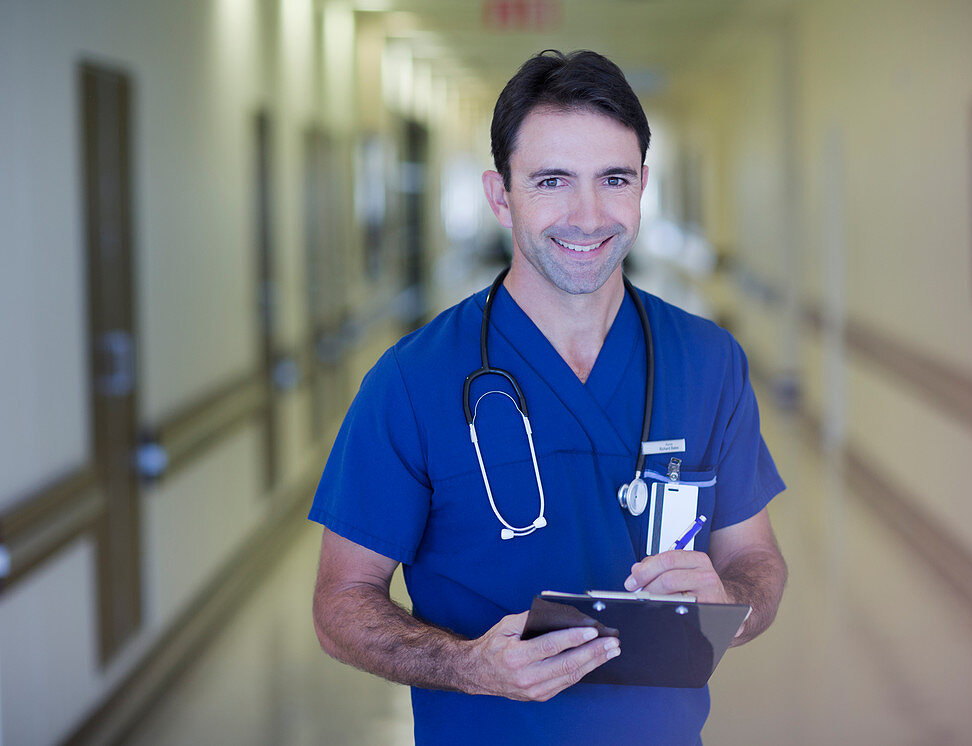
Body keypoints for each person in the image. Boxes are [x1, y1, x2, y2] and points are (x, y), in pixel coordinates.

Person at [309, 49, 787, 746]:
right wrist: (470, 665)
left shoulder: (707, 361)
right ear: (501, 196)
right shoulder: (412, 381)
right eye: (552, 180)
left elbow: (757, 560)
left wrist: (734, 604)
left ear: (643, 185)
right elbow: (338, 605)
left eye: (613, 179)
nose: (588, 215)